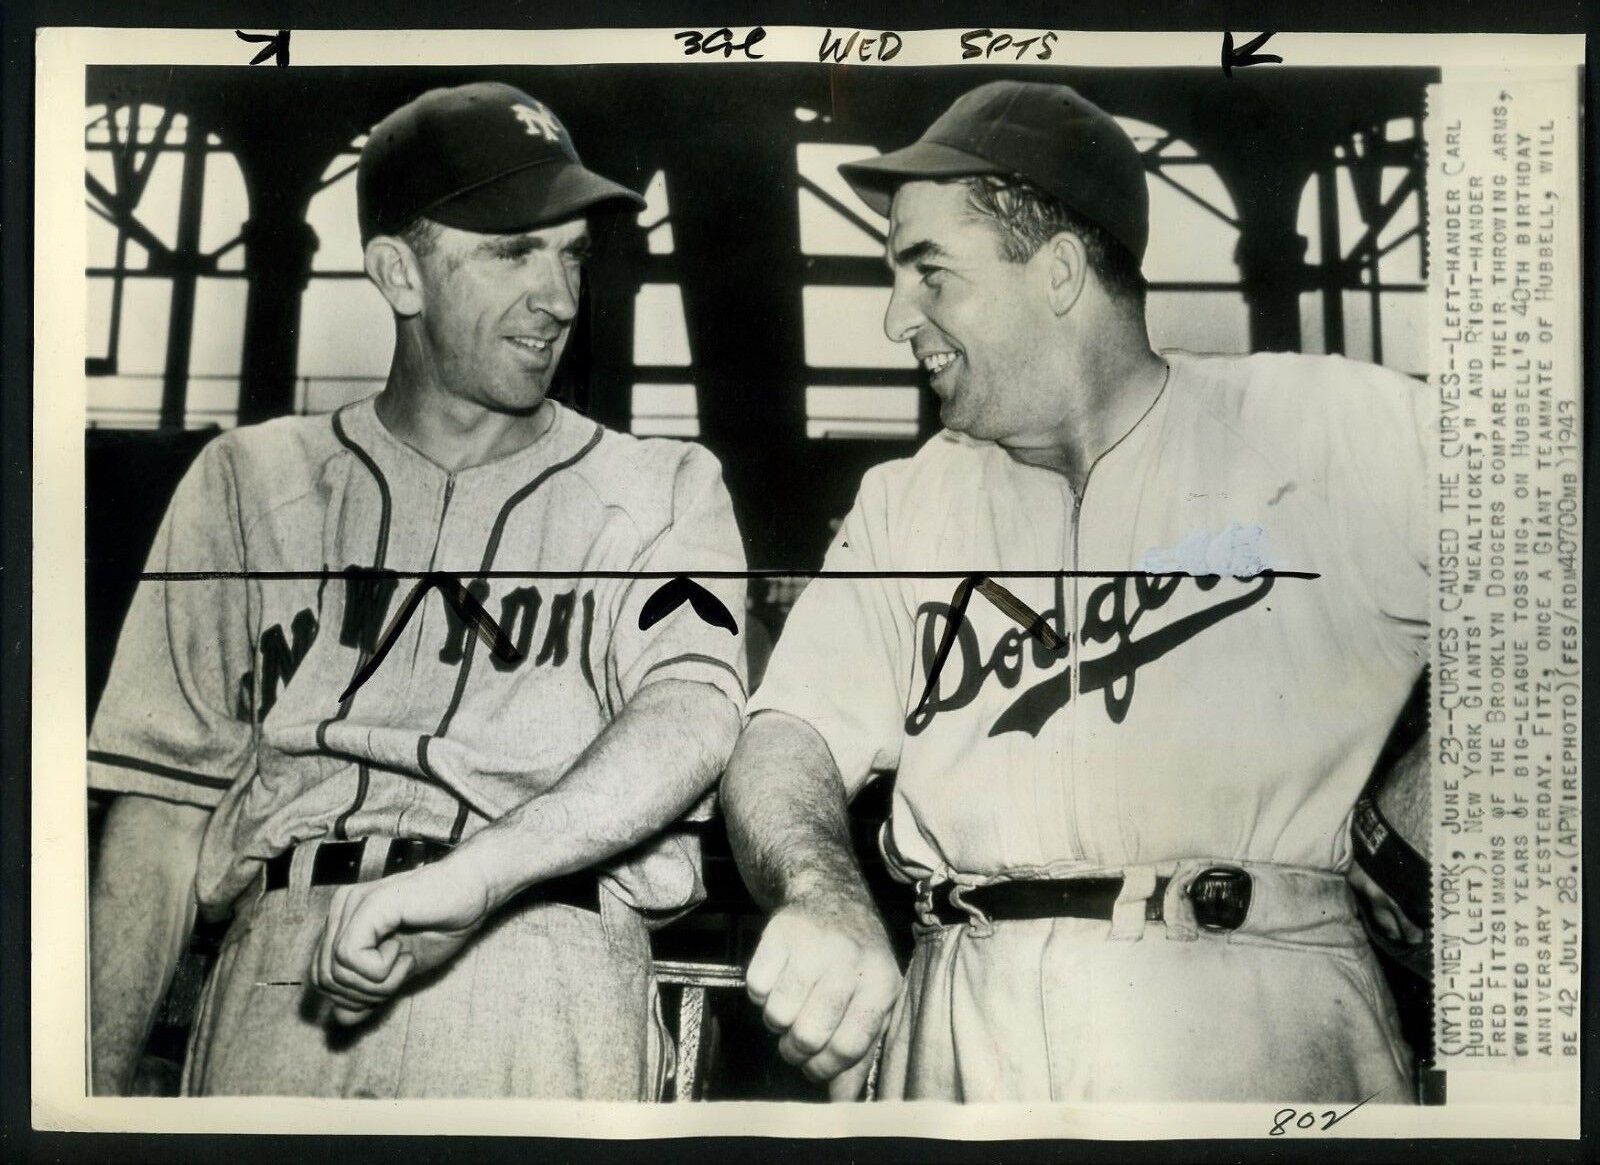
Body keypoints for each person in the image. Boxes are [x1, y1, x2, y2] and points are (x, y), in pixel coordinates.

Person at [722, 80, 1430, 1103]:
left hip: (1257, 1010)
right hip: (963, 1020)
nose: (893, 317)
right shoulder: (906, 500)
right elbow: (786, 734)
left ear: (1056, 271)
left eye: (931, 275)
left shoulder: (1323, 426)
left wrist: (1433, 791)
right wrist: (821, 893)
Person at [88, 82, 747, 1098]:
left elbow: (693, 711)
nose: (560, 297)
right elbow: (162, 813)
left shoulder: (663, 486)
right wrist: (82, 1085)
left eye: (572, 251)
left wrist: (479, 874)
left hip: (541, 951)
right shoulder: (246, 478)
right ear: (399, 273)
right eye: (511, 250)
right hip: (285, 959)